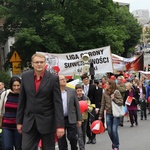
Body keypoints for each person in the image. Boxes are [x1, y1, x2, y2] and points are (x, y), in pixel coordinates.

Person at [16, 53, 65, 150]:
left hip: (47, 122)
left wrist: (60, 126)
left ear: (45, 63)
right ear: (32, 64)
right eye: (36, 62)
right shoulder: (25, 76)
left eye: (41, 62)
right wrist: (19, 121)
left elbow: (58, 103)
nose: (39, 64)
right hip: (29, 121)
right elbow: (22, 101)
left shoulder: (53, 78)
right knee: (26, 148)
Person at [58, 75, 82, 150]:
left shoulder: (71, 91)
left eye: (64, 79)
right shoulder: (55, 92)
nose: (64, 80)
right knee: (61, 140)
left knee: (72, 138)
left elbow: (77, 105)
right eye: (61, 79)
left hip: (71, 118)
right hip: (60, 119)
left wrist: (79, 119)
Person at [99, 79, 123, 150]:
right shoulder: (104, 93)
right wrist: (100, 115)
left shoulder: (116, 92)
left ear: (111, 85)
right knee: (109, 131)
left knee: (114, 130)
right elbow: (103, 104)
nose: (106, 85)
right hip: (108, 113)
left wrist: (114, 99)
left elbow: (121, 102)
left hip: (115, 114)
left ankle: (116, 146)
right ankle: (114, 142)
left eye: (108, 84)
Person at [0, 76, 22, 150]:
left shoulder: (23, 95)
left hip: (18, 126)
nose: (16, 88)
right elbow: (1, 110)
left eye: (18, 85)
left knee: (19, 147)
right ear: (11, 86)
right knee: (7, 147)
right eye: (14, 85)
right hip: (6, 125)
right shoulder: (5, 94)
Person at [81, 74, 101, 144]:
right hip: (84, 107)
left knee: (93, 121)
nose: (86, 80)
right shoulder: (81, 87)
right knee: (86, 123)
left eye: (87, 79)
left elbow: (96, 97)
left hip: (92, 106)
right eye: (84, 79)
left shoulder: (93, 87)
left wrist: (97, 107)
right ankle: (89, 137)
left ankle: (94, 137)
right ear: (82, 81)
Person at [75, 84, 93, 150]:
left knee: (83, 133)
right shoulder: (74, 98)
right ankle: (82, 148)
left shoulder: (86, 98)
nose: (79, 92)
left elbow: (91, 107)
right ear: (75, 91)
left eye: (80, 90)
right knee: (79, 134)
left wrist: (88, 108)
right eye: (78, 91)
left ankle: (83, 146)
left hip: (85, 118)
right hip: (77, 118)